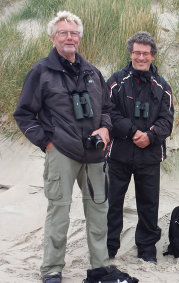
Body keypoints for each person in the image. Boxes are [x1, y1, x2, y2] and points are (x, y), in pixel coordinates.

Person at [13, 11, 113, 283]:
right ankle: (52, 269)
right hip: (61, 152)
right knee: (59, 211)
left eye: (74, 33)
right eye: (63, 33)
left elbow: (107, 108)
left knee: (99, 212)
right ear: (53, 37)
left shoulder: (92, 71)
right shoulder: (40, 71)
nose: (69, 37)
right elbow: (23, 114)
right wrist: (46, 142)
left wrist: (105, 127)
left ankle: (100, 267)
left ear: (79, 37)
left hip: (94, 153)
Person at [106, 31, 174, 263]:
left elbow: (167, 121)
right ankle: (109, 247)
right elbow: (107, 113)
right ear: (130, 53)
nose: (141, 57)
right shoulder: (116, 81)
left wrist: (150, 136)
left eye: (145, 53)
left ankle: (146, 248)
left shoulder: (163, 86)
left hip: (149, 155)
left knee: (148, 204)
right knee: (113, 202)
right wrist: (132, 131)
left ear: (153, 55)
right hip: (118, 154)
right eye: (137, 52)